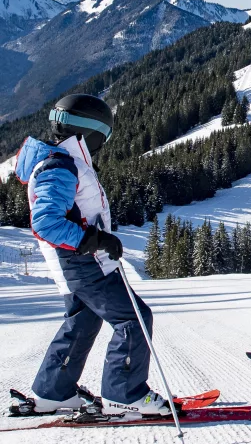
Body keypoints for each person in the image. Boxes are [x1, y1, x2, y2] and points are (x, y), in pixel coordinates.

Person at [15, 93, 169, 415]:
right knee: (133, 319)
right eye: (106, 134)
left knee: (82, 323)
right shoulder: (61, 167)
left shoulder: (65, 162)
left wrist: (98, 239)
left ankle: (53, 392)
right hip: (84, 263)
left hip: (77, 263)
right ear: (91, 131)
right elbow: (46, 222)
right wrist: (94, 240)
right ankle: (124, 394)